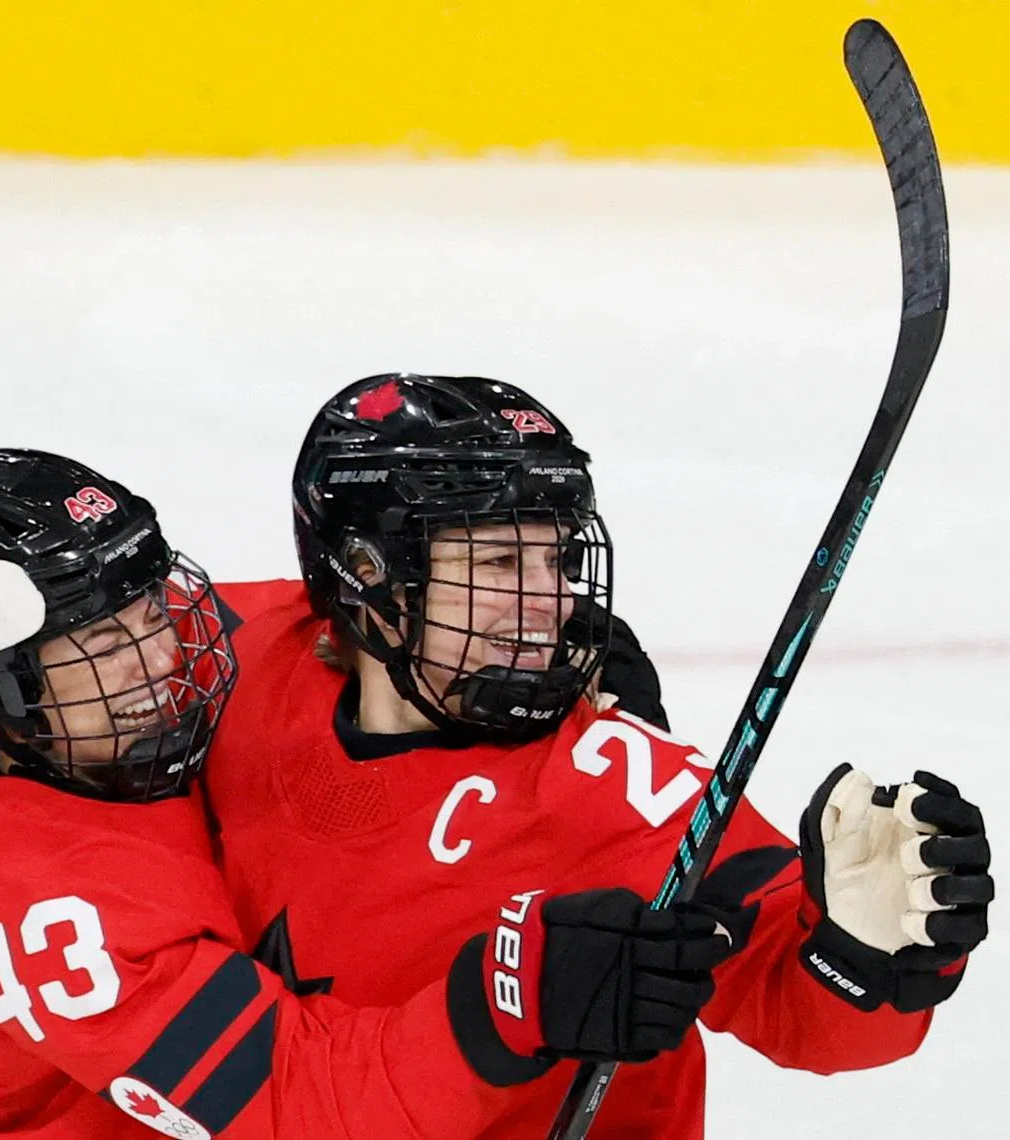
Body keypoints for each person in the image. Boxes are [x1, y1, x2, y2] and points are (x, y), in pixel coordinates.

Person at [200, 373, 994, 1137]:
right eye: (501, 565)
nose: (552, 601)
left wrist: (868, 954)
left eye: (558, 560)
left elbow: (809, 1016)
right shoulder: (243, 657)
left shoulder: (612, 782)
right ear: (368, 575)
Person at [0, 448, 734, 1139]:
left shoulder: (47, 725)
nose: (165, 659)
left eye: (148, 608)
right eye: (105, 640)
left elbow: (277, 615)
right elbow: (299, 1101)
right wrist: (512, 1000)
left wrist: (490, 639)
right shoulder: (59, 910)